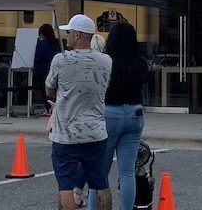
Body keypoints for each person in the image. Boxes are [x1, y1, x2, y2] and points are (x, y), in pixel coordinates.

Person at [47, 14, 113, 210]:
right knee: (101, 183)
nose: (67, 37)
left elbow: (49, 89)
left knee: (65, 185)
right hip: (95, 131)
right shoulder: (106, 61)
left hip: (66, 133)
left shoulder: (60, 59)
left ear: (77, 34)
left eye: (68, 33)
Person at [88, 21, 148, 210]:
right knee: (127, 172)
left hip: (109, 113)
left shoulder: (106, 60)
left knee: (99, 173)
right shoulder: (140, 62)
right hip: (134, 113)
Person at [34, 23, 60, 117]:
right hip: (52, 69)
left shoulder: (43, 44)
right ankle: (52, 108)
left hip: (42, 69)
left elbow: (37, 55)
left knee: (44, 90)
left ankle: (48, 109)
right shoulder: (55, 43)